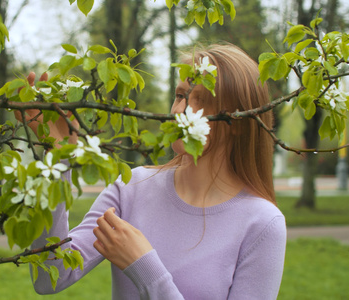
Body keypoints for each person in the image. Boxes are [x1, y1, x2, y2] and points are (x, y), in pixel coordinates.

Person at [22, 44, 286, 299]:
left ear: (239, 123)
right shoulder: (132, 188)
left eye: (201, 100)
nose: (180, 110)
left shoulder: (262, 224)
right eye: (181, 95)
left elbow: (145, 271)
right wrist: (56, 157)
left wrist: (144, 267)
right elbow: (51, 276)